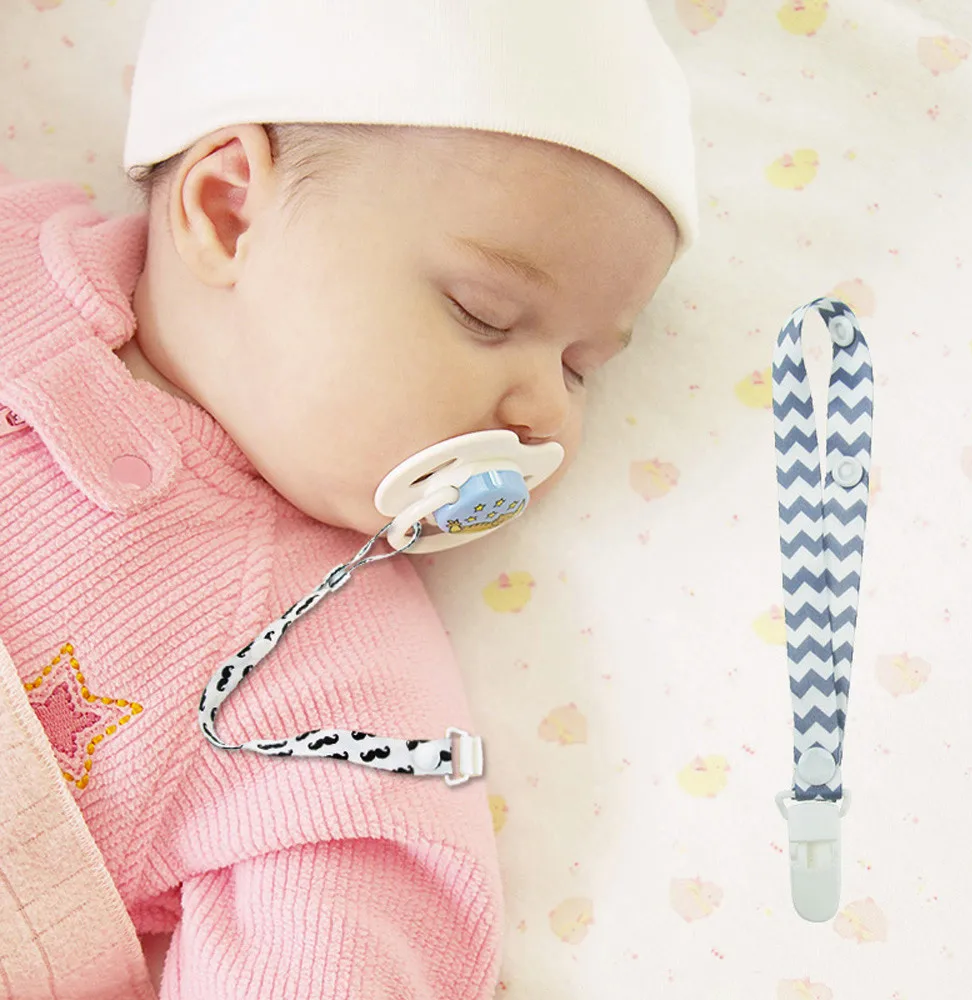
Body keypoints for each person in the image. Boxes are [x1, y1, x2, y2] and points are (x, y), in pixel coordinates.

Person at [0, 0, 699, 996]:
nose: (546, 413)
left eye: (581, 366)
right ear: (228, 211)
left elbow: (343, 948)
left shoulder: (331, 666)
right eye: (485, 313)